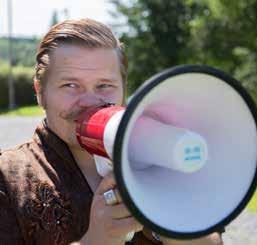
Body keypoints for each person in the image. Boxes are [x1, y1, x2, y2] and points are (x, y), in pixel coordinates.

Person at [0, 19, 224, 244]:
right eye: (70, 85)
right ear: (40, 92)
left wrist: (174, 226)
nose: (89, 102)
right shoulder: (8, 177)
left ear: (123, 90)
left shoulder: (160, 156)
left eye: (104, 85)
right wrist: (96, 240)